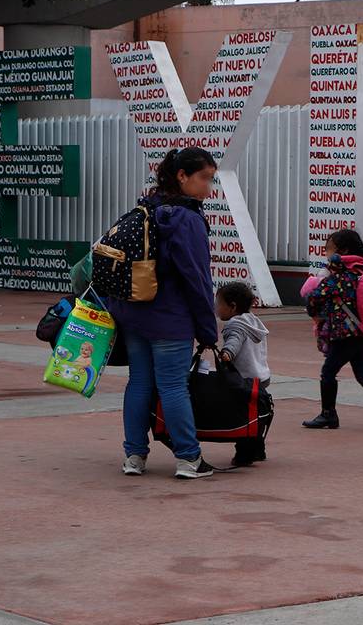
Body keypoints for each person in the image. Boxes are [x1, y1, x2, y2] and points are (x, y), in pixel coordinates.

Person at [108, 146, 220, 480]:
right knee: (172, 386)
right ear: (182, 176)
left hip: (134, 314)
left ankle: (134, 456)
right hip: (170, 317)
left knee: (139, 382)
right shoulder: (187, 219)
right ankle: (189, 458)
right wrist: (208, 330)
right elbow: (197, 280)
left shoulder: (144, 209)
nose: (208, 188)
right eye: (203, 178)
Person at [302, 229, 363, 430]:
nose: (326, 253)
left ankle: (328, 414)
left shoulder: (340, 275)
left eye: (329, 249)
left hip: (344, 335)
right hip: (361, 333)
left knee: (328, 372)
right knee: (362, 373)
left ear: (343, 250)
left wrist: (313, 301)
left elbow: (315, 297)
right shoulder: (360, 272)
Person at [216, 281, 274, 467]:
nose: (216, 308)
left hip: (244, 379)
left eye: (219, 304)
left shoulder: (235, 325)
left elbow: (234, 341)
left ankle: (244, 453)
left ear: (232, 306)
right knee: (256, 414)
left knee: (242, 416)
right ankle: (258, 449)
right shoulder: (253, 321)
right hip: (261, 376)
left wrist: (226, 353)